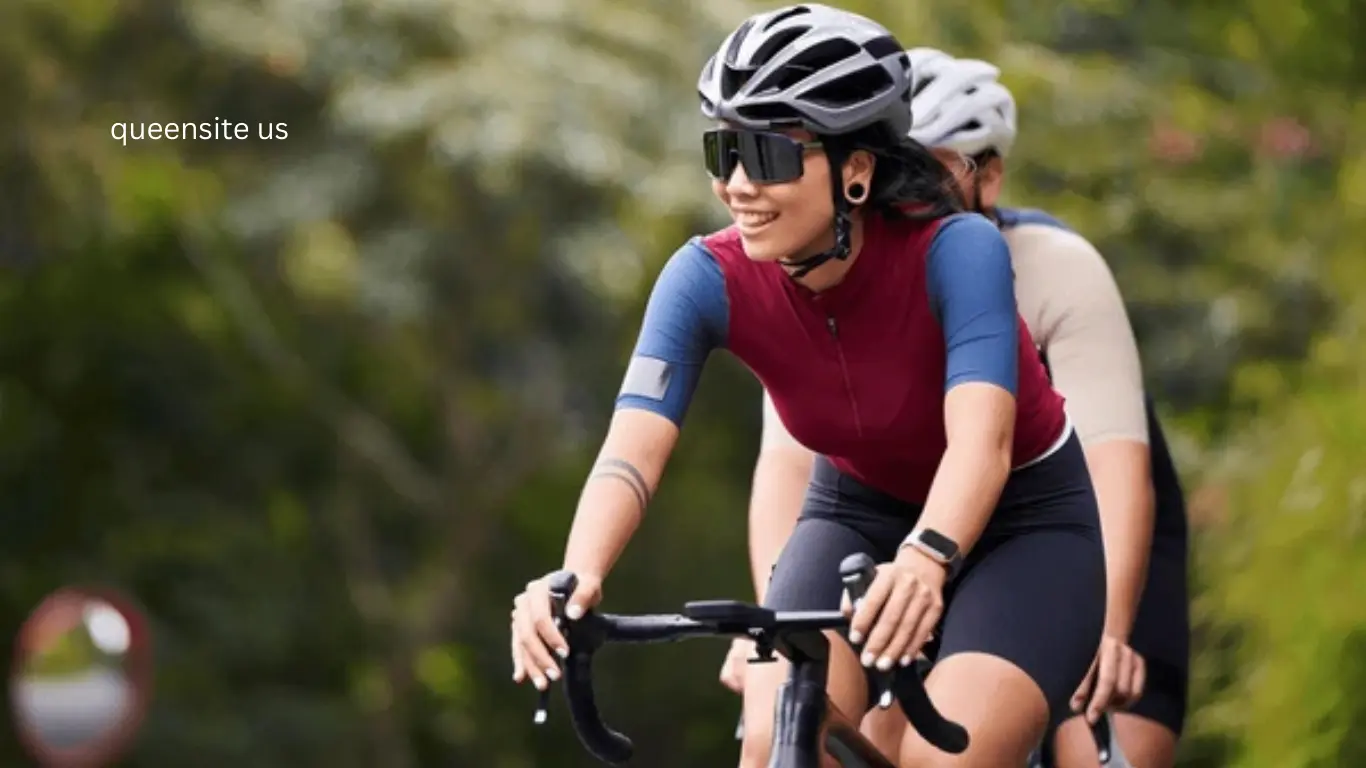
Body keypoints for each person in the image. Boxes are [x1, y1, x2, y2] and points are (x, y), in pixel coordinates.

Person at [509, 6, 1106, 766]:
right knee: (775, 744)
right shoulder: (704, 277)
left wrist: (926, 559)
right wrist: (576, 572)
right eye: (723, 149)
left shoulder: (959, 251)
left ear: (856, 170)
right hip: (853, 513)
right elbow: (630, 452)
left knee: (943, 760)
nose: (735, 184)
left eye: (768, 155)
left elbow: (981, 447)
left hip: (1024, 524)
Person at [720, 48, 1190, 768]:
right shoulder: (823, 272)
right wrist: (775, 627)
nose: (902, 195)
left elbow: (1113, 467)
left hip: (1067, 512)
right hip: (901, 514)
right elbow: (787, 471)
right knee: (834, 731)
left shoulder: (1057, 268)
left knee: (1099, 738)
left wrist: (1110, 629)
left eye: (930, 171)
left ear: (989, 176)